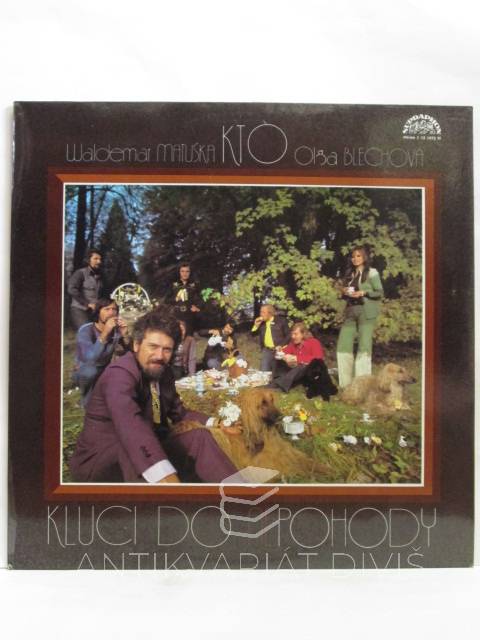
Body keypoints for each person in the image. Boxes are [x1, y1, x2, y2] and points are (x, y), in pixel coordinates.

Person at [69, 310, 237, 484]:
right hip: (102, 462)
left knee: (199, 437)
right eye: (153, 347)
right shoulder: (119, 375)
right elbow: (130, 425)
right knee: (131, 447)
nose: (159, 356)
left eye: (167, 350)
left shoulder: (162, 372)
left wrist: (217, 422)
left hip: (147, 447)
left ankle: (238, 492)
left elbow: (179, 412)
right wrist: (162, 474)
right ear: (136, 345)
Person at [336, 246, 384, 388]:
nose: (355, 259)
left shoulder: (372, 272)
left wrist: (364, 293)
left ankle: (362, 385)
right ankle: (345, 384)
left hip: (366, 312)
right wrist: (344, 291)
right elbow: (345, 294)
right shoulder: (350, 274)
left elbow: (379, 292)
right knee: (343, 346)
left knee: (364, 347)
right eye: (353, 256)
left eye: (358, 256)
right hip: (350, 312)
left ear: (364, 257)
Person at [72, 298, 130, 405]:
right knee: (91, 371)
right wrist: (105, 333)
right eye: (107, 309)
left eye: (114, 309)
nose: (111, 313)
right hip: (84, 370)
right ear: (98, 312)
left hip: (104, 369)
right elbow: (90, 359)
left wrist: (125, 335)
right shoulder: (86, 330)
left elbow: (128, 355)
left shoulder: (116, 331)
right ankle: (85, 396)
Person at [271, 322, 326, 392]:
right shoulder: (293, 343)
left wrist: (297, 358)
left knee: (303, 365)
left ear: (303, 334)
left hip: (311, 372)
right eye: (292, 334)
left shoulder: (314, 342)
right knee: (278, 359)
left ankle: (282, 386)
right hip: (296, 371)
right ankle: (276, 382)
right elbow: (284, 352)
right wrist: (281, 353)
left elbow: (318, 358)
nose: (293, 336)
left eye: (296, 334)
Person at [67, 249, 104, 330]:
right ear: (88, 260)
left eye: (100, 259)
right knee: (86, 331)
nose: (99, 262)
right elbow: (71, 289)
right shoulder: (80, 273)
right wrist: (87, 304)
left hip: (94, 311)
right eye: (96, 259)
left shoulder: (100, 276)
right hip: (79, 309)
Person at [165, 263, 202, 335]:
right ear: (179, 272)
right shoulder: (173, 285)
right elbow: (166, 300)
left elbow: (200, 299)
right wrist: (175, 299)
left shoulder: (195, 285)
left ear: (190, 272)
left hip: (190, 316)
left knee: (189, 336)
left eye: (187, 271)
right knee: (177, 335)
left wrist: (197, 307)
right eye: (182, 271)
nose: (185, 273)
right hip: (176, 315)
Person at [251, 304, 290, 371]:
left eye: (263, 312)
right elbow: (253, 334)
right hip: (266, 351)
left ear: (270, 313)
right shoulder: (261, 323)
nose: (261, 314)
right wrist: (256, 325)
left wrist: (281, 345)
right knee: (264, 371)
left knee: (278, 372)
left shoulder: (281, 321)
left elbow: (289, 335)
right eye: (260, 312)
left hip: (279, 350)